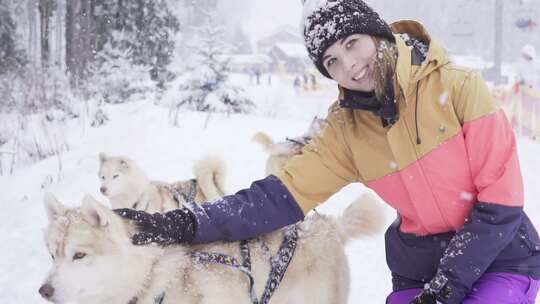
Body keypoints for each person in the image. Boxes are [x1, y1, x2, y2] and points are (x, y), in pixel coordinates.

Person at [116, 1, 540, 303]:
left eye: (353, 43)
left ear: (378, 33)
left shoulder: (458, 87)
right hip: (419, 268)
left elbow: (501, 204)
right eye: (332, 61)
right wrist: (183, 223)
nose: (350, 66)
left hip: (500, 258)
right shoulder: (347, 131)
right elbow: (275, 199)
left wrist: (448, 286)